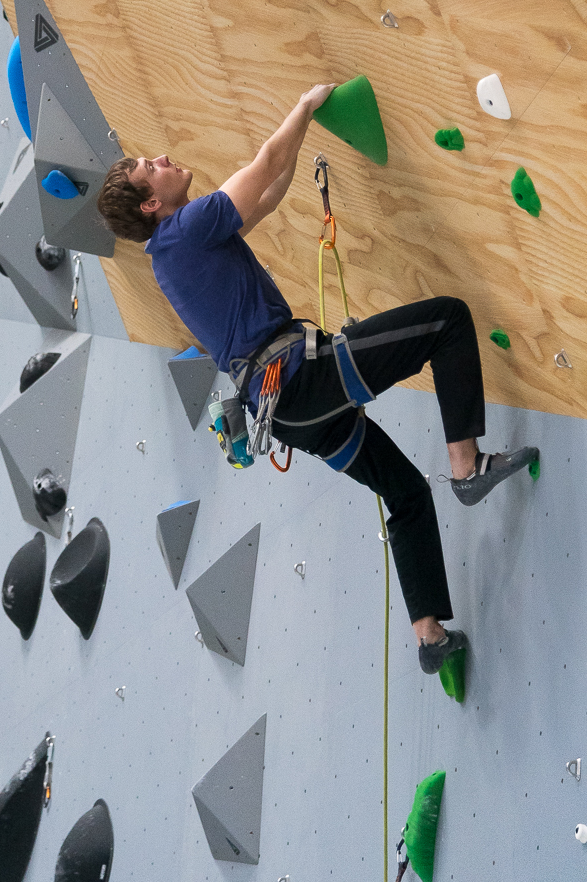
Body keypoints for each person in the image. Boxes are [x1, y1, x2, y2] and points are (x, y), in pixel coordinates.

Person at [96, 85, 538, 676]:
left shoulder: (172, 257)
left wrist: (308, 136)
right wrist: (303, 106)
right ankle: (467, 466)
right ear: (151, 203)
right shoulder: (184, 231)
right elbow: (262, 167)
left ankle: (429, 634)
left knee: (404, 492)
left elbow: (271, 195)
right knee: (449, 322)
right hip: (302, 378)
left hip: (288, 416)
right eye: (154, 168)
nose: (165, 160)